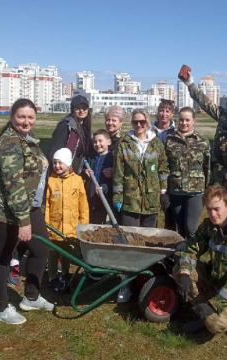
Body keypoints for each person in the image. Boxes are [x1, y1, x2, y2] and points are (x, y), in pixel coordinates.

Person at [0, 98, 53, 325]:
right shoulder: (9, 143)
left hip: (29, 206)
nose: (26, 121)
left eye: (30, 117)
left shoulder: (27, 139)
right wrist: (23, 221)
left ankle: (31, 296)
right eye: (21, 117)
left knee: (40, 249)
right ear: (12, 117)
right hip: (2, 210)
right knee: (2, 258)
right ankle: (0, 308)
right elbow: (13, 185)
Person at [174, 185, 227, 337]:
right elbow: (191, 248)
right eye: (208, 209)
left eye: (216, 209)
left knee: (214, 324)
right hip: (216, 278)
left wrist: (214, 305)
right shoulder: (209, 225)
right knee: (178, 270)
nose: (213, 214)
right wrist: (184, 272)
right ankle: (203, 310)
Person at [112, 109, 169, 302]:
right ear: (131, 123)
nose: (139, 126)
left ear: (147, 122)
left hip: (151, 201)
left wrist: (163, 192)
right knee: (129, 243)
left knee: (147, 244)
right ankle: (125, 284)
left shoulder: (156, 144)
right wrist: (118, 196)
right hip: (130, 199)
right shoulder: (124, 144)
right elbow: (118, 172)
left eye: (142, 122)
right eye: (135, 122)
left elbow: (163, 168)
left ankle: (145, 282)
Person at [45, 147, 89, 292]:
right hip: (54, 227)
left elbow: (83, 205)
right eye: (55, 163)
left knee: (67, 253)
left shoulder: (77, 181)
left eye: (60, 163)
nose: (57, 166)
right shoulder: (51, 181)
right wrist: (46, 225)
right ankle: (52, 276)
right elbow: (46, 205)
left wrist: (84, 225)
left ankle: (65, 274)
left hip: (71, 228)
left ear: (68, 164)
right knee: (53, 253)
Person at [165, 107, 210, 240]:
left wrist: (207, 189)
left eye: (187, 120)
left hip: (196, 191)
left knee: (191, 228)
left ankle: (192, 257)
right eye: (181, 120)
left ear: (193, 121)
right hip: (175, 190)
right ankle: (181, 256)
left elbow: (207, 167)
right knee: (180, 228)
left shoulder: (202, 141)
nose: (184, 123)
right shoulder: (169, 140)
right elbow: (164, 165)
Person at [47, 95, 92, 174]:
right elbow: (55, 149)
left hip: (76, 174)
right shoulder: (66, 125)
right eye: (78, 108)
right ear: (73, 109)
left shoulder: (85, 128)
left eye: (84, 108)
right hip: (63, 172)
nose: (81, 111)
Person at [151, 99, 177, 231]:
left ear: (172, 113)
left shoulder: (176, 131)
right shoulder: (150, 130)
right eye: (161, 110)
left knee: (169, 212)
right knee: (151, 212)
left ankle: (170, 246)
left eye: (167, 111)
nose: (164, 114)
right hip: (152, 176)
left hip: (171, 176)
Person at [84, 129, 114, 224]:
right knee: (89, 219)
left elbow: (114, 179)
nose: (97, 144)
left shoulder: (112, 159)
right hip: (90, 196)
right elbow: (84, 170)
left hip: (104, 196)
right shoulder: (91, 157)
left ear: (108, 142)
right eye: (95, 142)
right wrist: (85, 171)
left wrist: (104, 188)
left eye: (100, 141)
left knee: (100, 220)